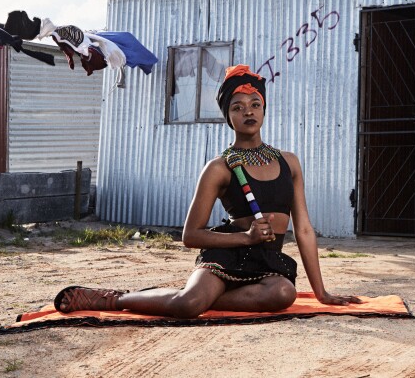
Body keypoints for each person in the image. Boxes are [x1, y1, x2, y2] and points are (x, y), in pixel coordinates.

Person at [54, 65, 361, 318]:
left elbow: (304, 229)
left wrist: (322, 293)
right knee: (187, 306)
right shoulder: (220, 167)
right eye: (237, 107)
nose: (248, 112)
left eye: (256, 104)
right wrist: (246, 238)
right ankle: (115, 299)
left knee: (284, 293)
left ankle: (199, 297)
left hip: (267, 261)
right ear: (228, 116)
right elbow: (191, 235)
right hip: (226, 256)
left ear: (264, 109)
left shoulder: (289, 162)